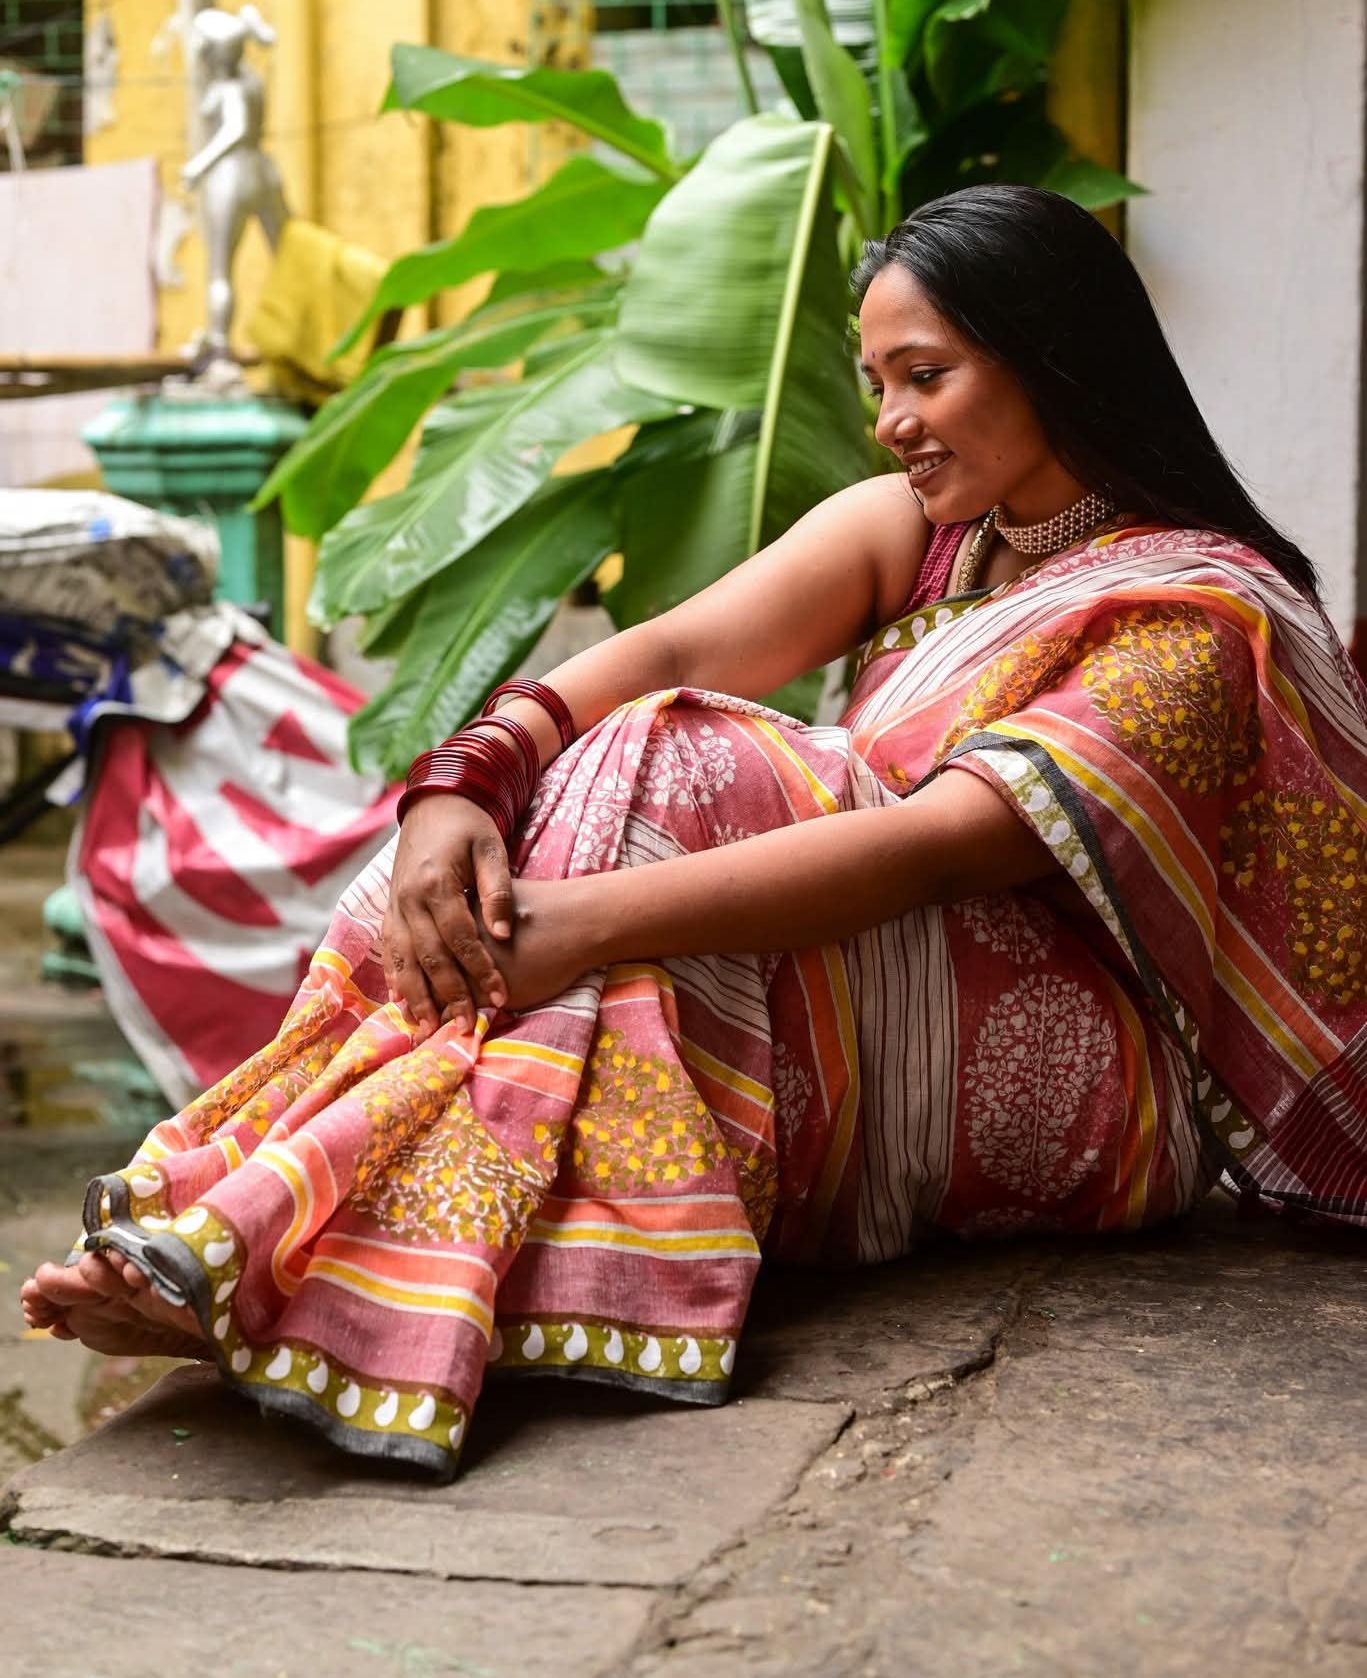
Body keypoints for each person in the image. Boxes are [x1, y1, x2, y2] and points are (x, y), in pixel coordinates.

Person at [24, 185, 1367, 1477]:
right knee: (597, 761)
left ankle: (298, 1253)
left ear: (1051, 359)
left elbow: (951, 842)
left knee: (684, 762)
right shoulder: (937, 530)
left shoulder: (1196, 610)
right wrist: (462, 786)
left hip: (1092, 1087)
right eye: (877, 387)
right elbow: (673, 639)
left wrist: (579, 925)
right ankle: (285, 1238)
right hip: (893, 993)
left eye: (927, 377)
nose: (892, 422)